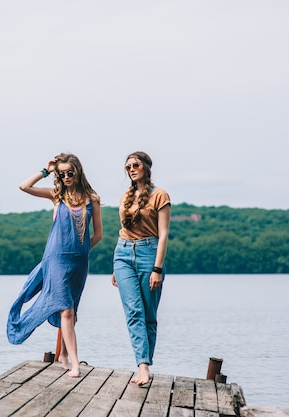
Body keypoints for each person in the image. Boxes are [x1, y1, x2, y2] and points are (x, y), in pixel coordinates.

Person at [7, 152, 103, 378]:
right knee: (66, 311)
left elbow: (98, 235)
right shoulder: (57, 196)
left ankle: (61, 354)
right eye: (62, 173)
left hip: (79, 262)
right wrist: (45, 170)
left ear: (78, 171)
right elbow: (24, 186)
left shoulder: (92, 199)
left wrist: (81, 250)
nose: (67, 176)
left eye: (70, 172)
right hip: (56, 259)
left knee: (71, 311)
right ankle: (75, 362)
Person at [111, 151, 171, 386]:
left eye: (135, 165)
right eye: (127, 167)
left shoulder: (160, 195)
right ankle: (142, 367)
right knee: (133, 311)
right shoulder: (125, 195)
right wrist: (117, 266)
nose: (131, 169)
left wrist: (157, 268)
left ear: (146, 167)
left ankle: (146, 363)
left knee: (148, 315)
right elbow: (122, 231)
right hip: (123, 254)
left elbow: (164, 234)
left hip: (149, 253)